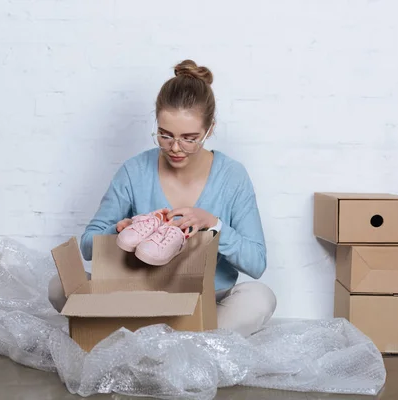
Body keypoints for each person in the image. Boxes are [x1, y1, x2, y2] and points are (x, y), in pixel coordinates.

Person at [48, 59, 276, 337]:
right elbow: (87, 246)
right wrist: (121, 228)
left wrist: (213, 224)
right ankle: (179, 340)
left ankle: (169, 339)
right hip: (139, 297)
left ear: (210, 129)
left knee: (260, 298)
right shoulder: (134, 171)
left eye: (189, 138)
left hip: (207, 299)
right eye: (165, 135)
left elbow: (257, 262)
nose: (175, 148)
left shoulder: (232, 175)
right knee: (59, 285)